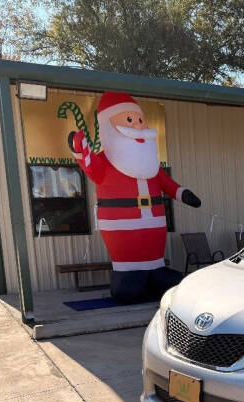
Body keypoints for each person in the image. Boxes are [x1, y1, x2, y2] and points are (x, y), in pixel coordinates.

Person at [68, 91, 202, 302]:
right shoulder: (106, 161)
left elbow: (167, 183)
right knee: (129, 288)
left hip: (155, 227)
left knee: (164, 277)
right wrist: (79, 147)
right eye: (130, 120)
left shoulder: (150, 164)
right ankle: (127, 274)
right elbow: (89, 165)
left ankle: (156, 270)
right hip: (121, 227)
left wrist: (184, 194)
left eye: (140, 120)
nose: (138, 126)